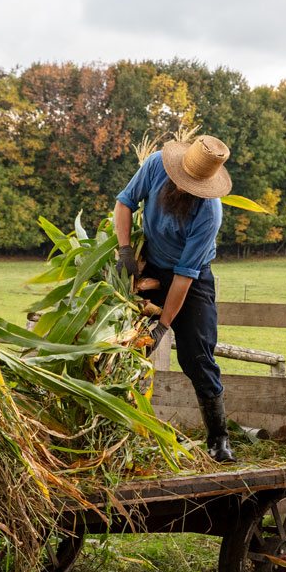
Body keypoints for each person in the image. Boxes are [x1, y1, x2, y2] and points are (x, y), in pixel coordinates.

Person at [113, 135, 235, 462]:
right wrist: (125, 251)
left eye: (193, 188)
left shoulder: (209, 212)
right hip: (150, 264)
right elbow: (124, 202)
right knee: (130, 345)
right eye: (182, 183)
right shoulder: (155, 165)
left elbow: (183, 278)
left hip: (191, 279)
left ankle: (218, 439)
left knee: (197, 357)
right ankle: (120, 426)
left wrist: (163, 325)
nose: (184, 190)